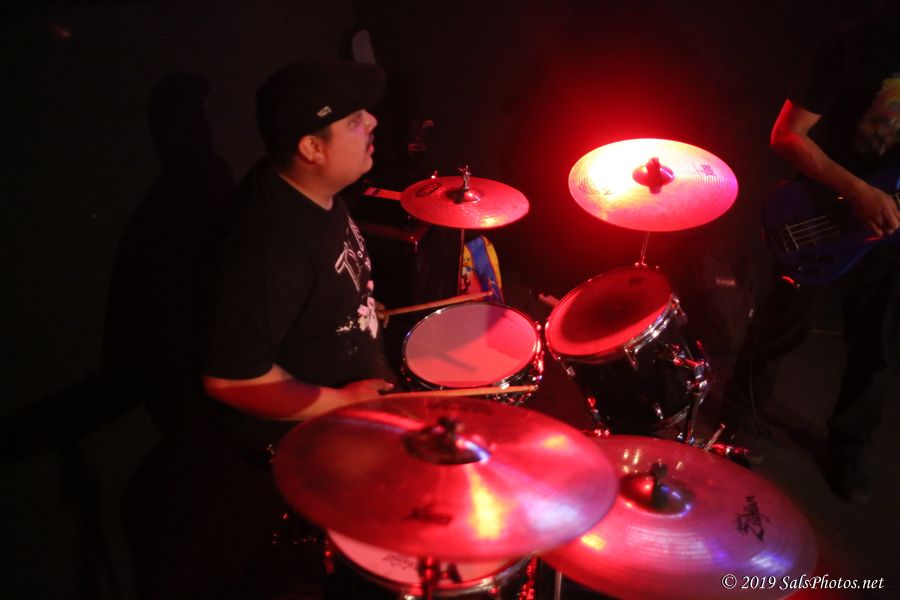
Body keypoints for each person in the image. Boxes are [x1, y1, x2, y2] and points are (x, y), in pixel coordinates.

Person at [721, 4, 900, 504]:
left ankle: (850, 446)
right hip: (821, 216)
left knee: (877, 348)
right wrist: (859, 192)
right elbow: (786, 135)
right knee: (781, 327)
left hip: (891, 233)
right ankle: (737, 416)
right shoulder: (855, 42)